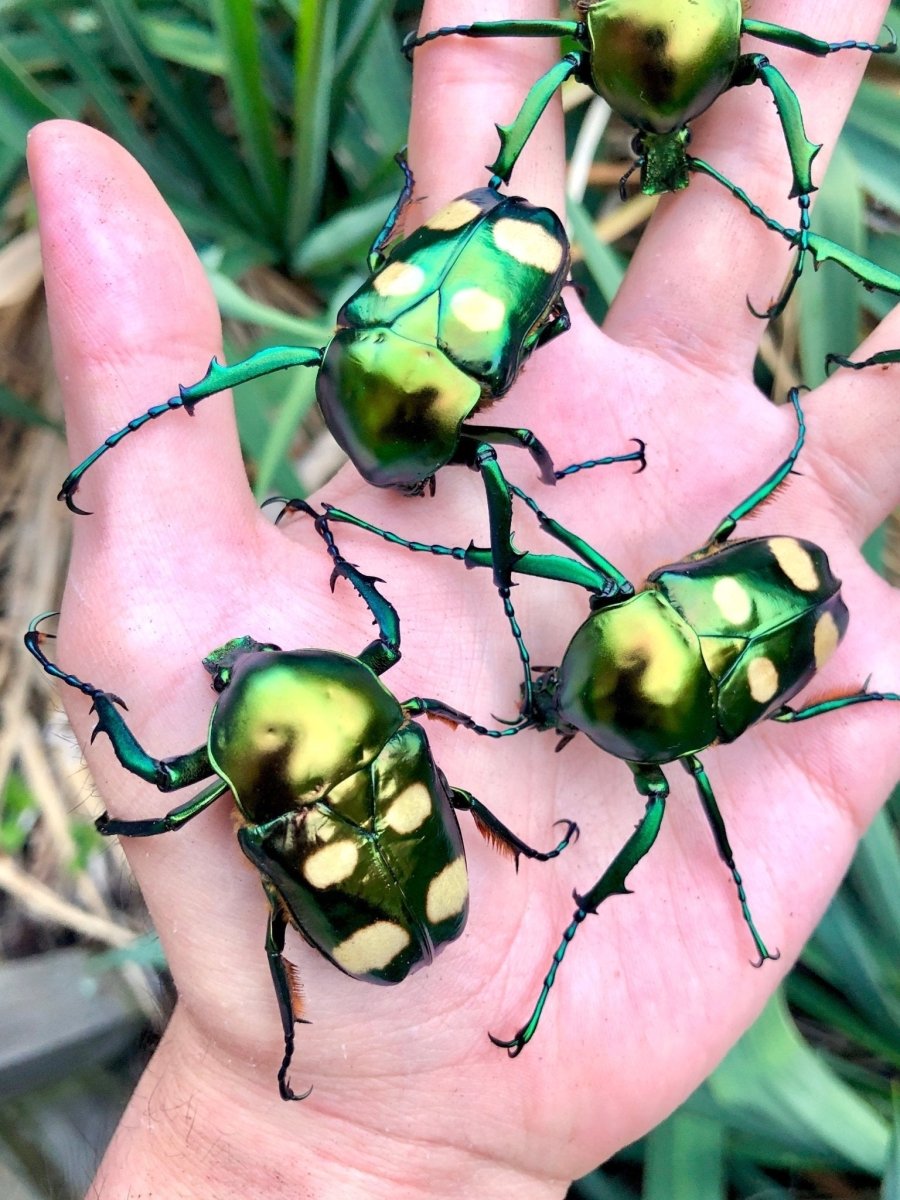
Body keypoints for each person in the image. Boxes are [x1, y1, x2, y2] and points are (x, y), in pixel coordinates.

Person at [28, 2, 899, 1196]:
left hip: (532, 516)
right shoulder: (405, 701)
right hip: (554, 602)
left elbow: (168, 803)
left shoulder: (496, 661)